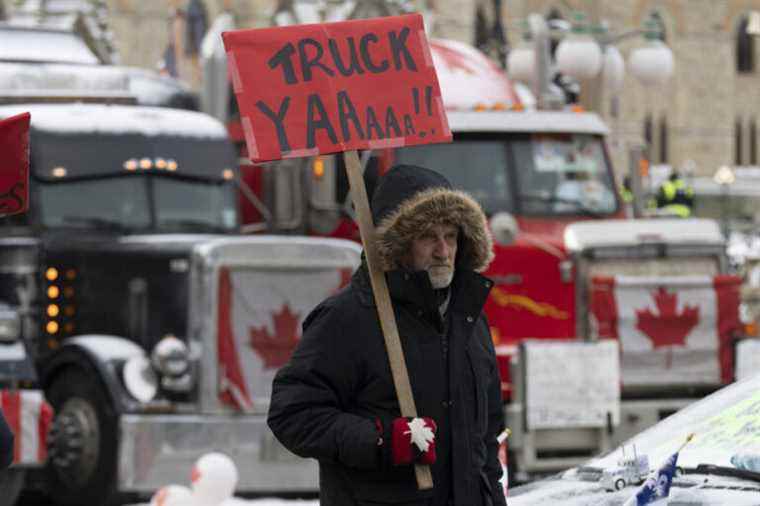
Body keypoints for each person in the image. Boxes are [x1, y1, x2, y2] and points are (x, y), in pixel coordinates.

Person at [268, 165, 506, 506]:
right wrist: (381, 441)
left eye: (451, 235)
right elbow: (293, 414)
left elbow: (486, 436)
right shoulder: (349, 318)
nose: (443, 251)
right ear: (397, 245)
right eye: (428, 237)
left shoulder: (468, 317)